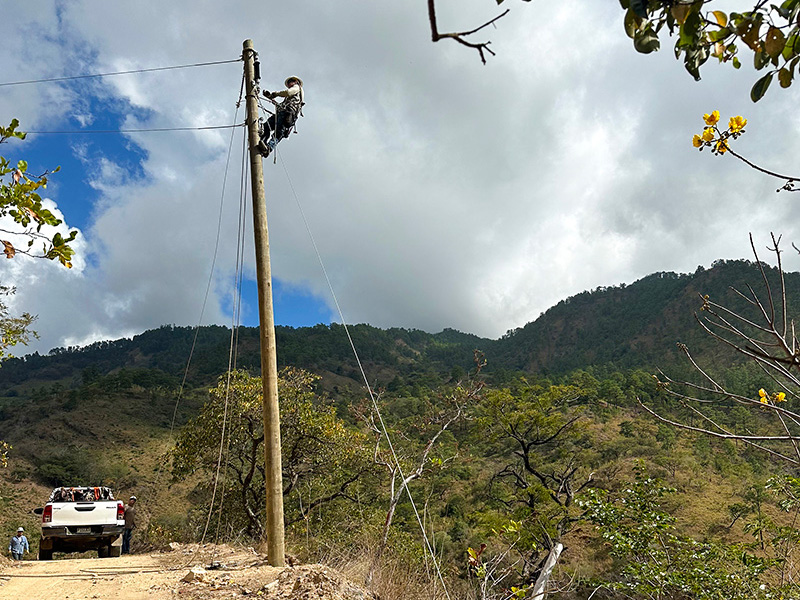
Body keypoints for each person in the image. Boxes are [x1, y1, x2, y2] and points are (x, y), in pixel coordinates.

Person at [257, 76, 304, 158]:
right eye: (289, 82)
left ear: (296, 82)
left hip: (287, 113)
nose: (289, 83)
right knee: (266, 126)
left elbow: (288, 92)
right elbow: (283, 103)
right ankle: (263, 143)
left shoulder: (296, 88)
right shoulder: (290, 98)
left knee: (278, 132)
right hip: (282, 112)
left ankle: (268, 148)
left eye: (291, 81)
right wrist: (271, 98)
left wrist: (275, 94)